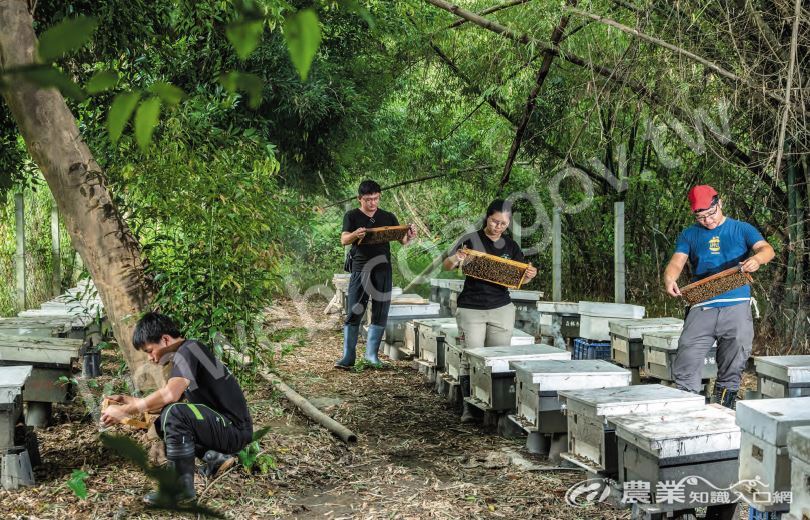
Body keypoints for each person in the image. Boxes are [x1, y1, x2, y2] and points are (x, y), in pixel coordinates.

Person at [100, 313, 253, 504]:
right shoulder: (189, 352)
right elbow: (167, 400)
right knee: (166, 417)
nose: (150, 358)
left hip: (233, 430)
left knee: (174, 414)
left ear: (165, 339)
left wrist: (124, 412)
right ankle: (215, 458)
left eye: (150, 351)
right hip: (227, 428)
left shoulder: (189, 350)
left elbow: (170, 395)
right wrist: (126, 401)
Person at [663, 185, 774, 409]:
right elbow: (677, 261)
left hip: (736, 306)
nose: (708, 221)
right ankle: (686, 413)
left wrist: (757, 260)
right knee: (687, 357)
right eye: (701, 217)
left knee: (734, 363)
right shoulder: (689, 234)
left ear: (719, 203)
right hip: (702, 306)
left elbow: (767, 249)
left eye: (711, 214)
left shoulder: (741, 229)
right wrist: (669, 278)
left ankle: (723, 412)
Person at [444, 199, 537, 422]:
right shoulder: (470, 239)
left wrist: (529, 275)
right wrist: (457, 258)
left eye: (504, 224)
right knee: (472, 357)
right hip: (471, 307)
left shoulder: (512, 247)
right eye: (495, 221)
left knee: (499, 359)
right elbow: (447, 265)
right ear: (487, 217)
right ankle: (470, 407)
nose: (498, 227)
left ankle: (497, 408)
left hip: (501, 307)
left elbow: (520, 278)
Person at [335, 180, 416, 369]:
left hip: (383, 268)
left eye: (376, 199)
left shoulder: (388, 216)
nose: (372, 203)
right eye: (368, 199)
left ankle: (371, 355)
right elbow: (344, 240)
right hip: (361, 267)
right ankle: (348, 357)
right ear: (360, 199)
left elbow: (402, 240)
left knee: (381, 310)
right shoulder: (352, 215)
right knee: (355, 308)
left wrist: (410, 236)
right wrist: (356, 235)